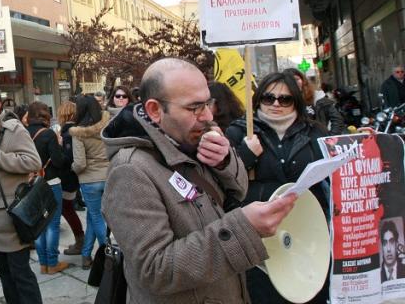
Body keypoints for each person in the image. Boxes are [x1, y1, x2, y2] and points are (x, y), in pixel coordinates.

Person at [102, 57, 297, 304]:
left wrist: (226, 161)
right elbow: (155, 270)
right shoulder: (130, 171)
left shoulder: (192, 136)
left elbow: (239, 190)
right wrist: (243, 230)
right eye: (194, 107)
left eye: (207, 103)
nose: (207, 116)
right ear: (154, 110)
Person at [226, 71, 329, 303]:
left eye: (285, 99)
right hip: (260, 239)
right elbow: (223, 184)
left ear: (296, 100)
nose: (275, 104)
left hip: (307, 235)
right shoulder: (239, 131)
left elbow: (335, 173)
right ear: (258, 98)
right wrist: (245, 155)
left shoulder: (315, 132)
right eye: (268, 97)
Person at [0, 87, 43, 304]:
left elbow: (34, 162)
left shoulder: (13, 129)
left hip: (12, 218)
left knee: (21, 275)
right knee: (5, 275)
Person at [25, 101, 69, 274]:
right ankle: (52, 263)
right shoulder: (49, 134)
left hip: (31, 184)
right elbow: (58, 161)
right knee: (52, 224)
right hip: (50, 183)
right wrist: (60, 146)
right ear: (45, 115)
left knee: (38, 224)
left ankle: (43, 263)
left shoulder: (24, 133)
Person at [70, 95, 111, 268]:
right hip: (108, 175)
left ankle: (110, 254)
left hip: (89, 181)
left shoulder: (78, 133)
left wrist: (72, 168)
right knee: (93, 218)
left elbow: (79, 163)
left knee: (96, 217)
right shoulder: (107, 125)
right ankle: (86, 256)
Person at [57, 100, 85, 256]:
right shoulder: (75, 130)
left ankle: (80, 242)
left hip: (67, 179)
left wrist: (58, 148)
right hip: (72, 178)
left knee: (66, 209)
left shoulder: (68, 133)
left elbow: (68, 159)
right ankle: (81, 241)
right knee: (67, 209)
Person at [284, 68, 345, 134]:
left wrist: (331, 137)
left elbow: (337, 120)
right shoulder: (281, 101)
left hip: (317, 141)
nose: (295, 83)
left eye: (297, 79)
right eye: (290, 81)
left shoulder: (318, 97)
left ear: (303, 80)